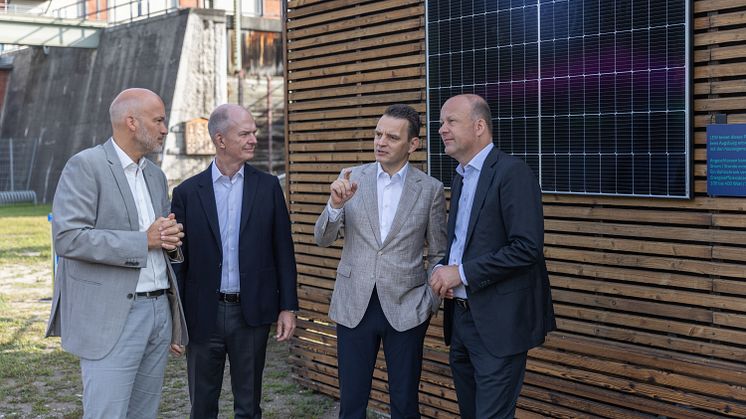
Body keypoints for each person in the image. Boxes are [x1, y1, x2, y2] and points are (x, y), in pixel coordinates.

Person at [46, 88, 188, 418]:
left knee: (145, 412)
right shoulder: (85, 166)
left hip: (158, 312)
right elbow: (68, 238)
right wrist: (144, 241)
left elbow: (158, 240)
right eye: (159, 120)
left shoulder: (156, 175)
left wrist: (170, 239)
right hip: (111, 318)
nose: (165, 129)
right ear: (131, 122)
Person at [314, 104, 447, 419]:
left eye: (391, 136)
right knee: (351, 403)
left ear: (412, 144)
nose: (381, 142)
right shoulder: (350, 178)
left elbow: (439, 252)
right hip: (354, 304)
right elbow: (322, 238)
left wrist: (430, 301)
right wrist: (334, 205)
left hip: (407, 307)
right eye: (377, 134)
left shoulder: (430, 190)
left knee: (404, 404)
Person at [429, 94, 556, 419]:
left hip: (498, 325)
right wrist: (445, 269)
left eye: (450, 121)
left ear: (480, 126)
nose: (441, 128)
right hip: (460, 319)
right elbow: (464, 243)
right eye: (441, 122)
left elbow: (526, 247)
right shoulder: (461, 177)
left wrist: (462, 273)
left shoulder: (512, 173)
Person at [170, 104, 298, 419]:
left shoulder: (268, 187)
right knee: (202, 405)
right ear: (221, 139)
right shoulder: (187, 192)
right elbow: (177, 262)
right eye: (245, 133)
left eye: (254, 132)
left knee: (248, 406)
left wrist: (288, 307)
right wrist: (175, 319)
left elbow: (283, 249)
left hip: (251, 313)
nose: (254, 139)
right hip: (202, 314)